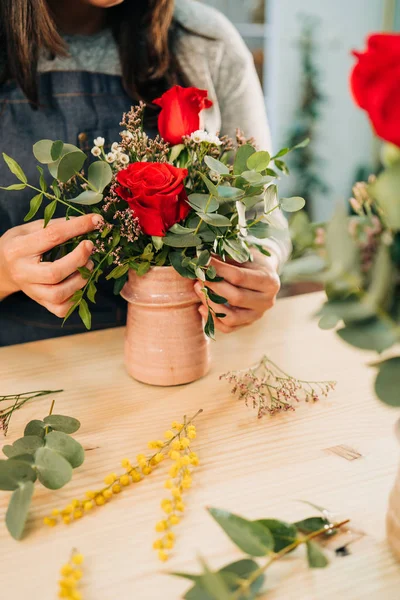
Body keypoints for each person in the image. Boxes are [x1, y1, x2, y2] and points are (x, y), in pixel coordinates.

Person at [0, 0, 291, 347]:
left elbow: (263, 218)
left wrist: (257, 269)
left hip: (180, 349)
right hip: (24, 363)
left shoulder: (205, 40)